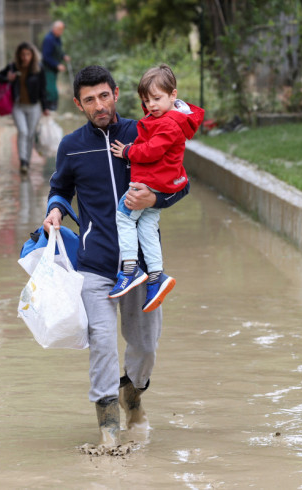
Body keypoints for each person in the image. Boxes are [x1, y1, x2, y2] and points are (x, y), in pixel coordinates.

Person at [42, 65, 189, 449]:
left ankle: (133, 395)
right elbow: (59, 188)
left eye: (104, 95)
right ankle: (108, 430)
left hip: (141, 268)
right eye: (89, 100)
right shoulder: (71, 146)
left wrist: (156, 198)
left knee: (145, 346)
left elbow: (179, 182)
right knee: (102, 342)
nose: (99, 105)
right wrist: (56, 210)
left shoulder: (142, 132)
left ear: (117, 93)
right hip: (94, 266)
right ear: (78, 104)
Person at [107, 64, 204, 312]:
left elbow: (151, 151)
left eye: (157, 99)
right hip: (161, 183)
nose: (151, 106)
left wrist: (128, 151)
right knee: (148, 226)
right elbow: (153, 119)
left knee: (124, 216)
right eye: (146, 100)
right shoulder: (168, 117)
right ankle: (156, 276)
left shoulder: (169, 124)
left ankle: (129, 270)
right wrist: (153, 102)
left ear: (174, 95)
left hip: (149, 182)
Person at [0, 42, 49, 174]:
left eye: (28, 54)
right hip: (18, 106)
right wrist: (8, 78)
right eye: (23, 54)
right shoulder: (13, 67)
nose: (25, 57)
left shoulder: (39, 69)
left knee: (30, 134)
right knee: (23, 132)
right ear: (19, 55)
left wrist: (45, 107)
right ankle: (23, 161)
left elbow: (43, 89)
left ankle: (27, 162)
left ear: (32, 55)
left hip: (34, 106)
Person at [41, 20, 70, 111]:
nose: (61, 32)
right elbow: (46, 56)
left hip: (54, 69)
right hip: (48, 68)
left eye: (62, 30)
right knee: (51, 89)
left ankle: (53, 108)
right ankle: (49, 107)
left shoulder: (57, 38)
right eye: (60, 30)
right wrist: (57, 64)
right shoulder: (48, 39)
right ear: (55, 29)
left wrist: (63, 56)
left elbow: (58, 50)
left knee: (52, 87)